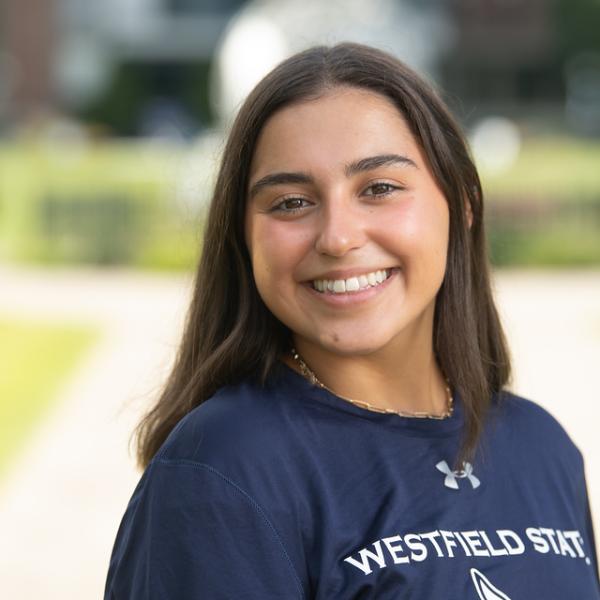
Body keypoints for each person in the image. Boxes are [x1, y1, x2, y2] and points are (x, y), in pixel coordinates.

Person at [103, 42, 600, 599]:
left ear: (462, 204)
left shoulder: (541, 446)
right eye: (291, 202)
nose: (338, 237)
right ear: (243, 236)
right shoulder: (223, 471)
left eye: (380, 188)